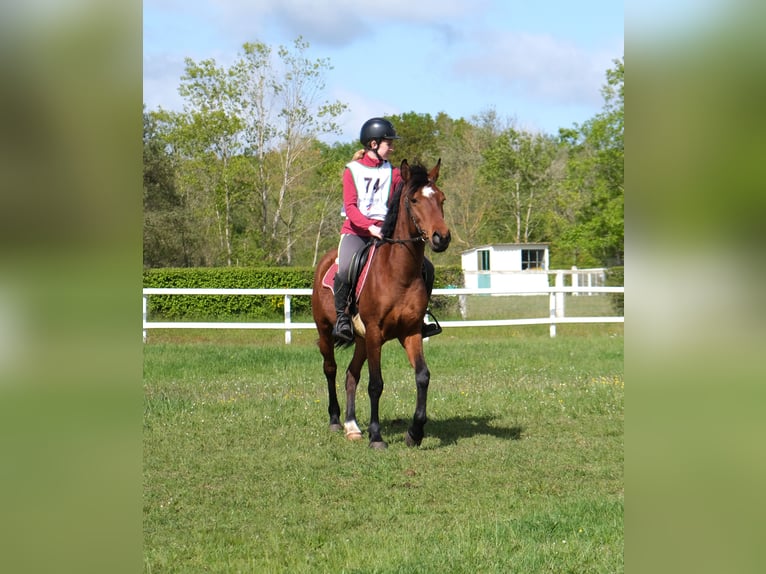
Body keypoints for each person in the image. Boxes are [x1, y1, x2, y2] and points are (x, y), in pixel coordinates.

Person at [332, 117, 442, 345]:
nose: (392, 147)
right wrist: (369, 227)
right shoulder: (352, 171)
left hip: (386, 232)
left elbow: (408, 194)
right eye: (388, 143)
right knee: (344, 268)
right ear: (373, 144)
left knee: (426, 268)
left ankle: (420, 318)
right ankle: (343, 318)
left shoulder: (393, 172)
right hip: (357, 232)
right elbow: (350, 208)